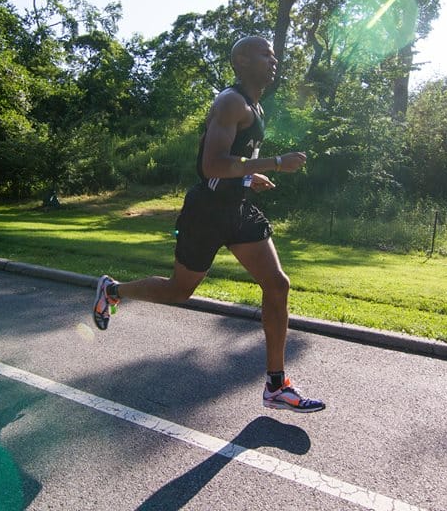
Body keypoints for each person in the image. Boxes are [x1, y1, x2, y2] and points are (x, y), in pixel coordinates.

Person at [92, 36, 325, 413]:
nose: (274, 58)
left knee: (277, 284)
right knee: (180, 290)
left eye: (273, 53)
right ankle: (114, 290)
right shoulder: (230, 101)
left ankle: (276, 385)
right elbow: (212, 165)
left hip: (237, 207)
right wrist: (275, 163)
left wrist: (248, 179)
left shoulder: (255, 105)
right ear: (241, 62)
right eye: (265, 54)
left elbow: (233, 162)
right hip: (206, 212)